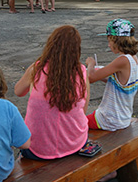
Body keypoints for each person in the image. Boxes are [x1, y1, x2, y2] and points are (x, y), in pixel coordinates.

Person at [14, 25, 89, 160]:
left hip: (36, 149)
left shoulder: (37, 68)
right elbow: (84, 110)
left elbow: (18, 91)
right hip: (75, 144)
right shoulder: (81, 71)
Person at [86, 19, 138, 131]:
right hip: (123, 117)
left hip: (110, 119)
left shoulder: (122, 60)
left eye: (109, 40)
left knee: (74, 125)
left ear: (117, 40)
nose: (109, 45)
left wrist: (91, 63)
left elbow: (90, 78)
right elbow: (120, 82)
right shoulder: (133, 58)